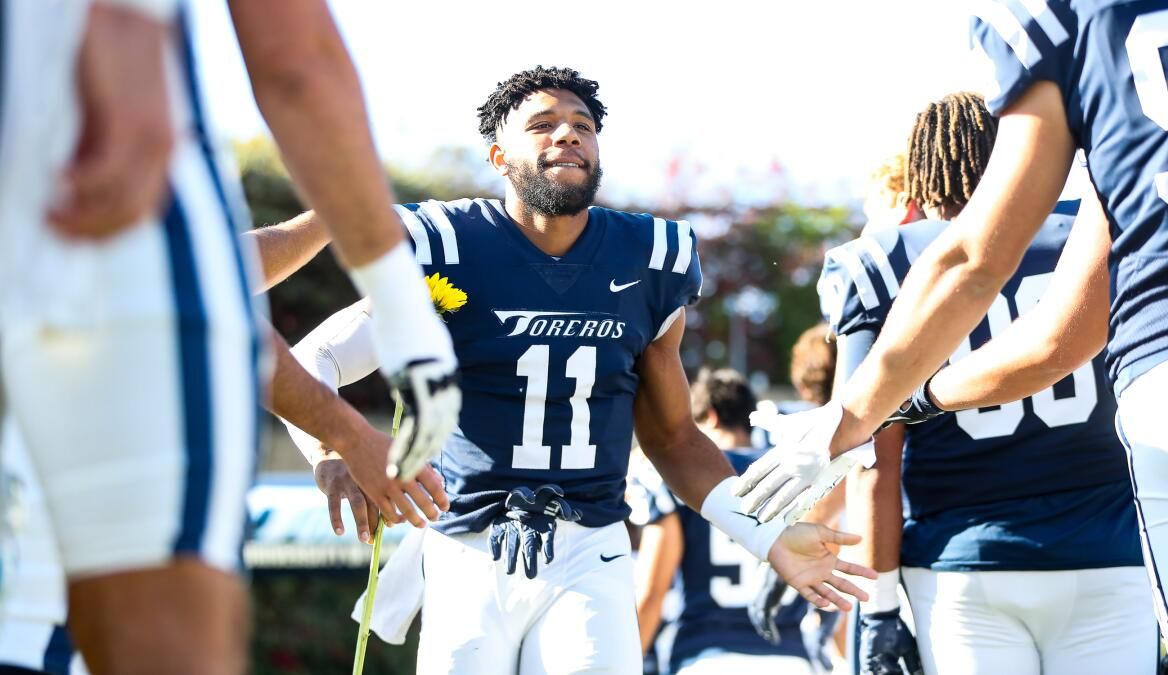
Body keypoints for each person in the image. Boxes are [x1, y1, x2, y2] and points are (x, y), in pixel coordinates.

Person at [280, 65, 876, 675]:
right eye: (542, 125)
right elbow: (313, 360)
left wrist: (766, 536)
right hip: (465, 547)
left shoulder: (648, 259)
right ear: (498, 155)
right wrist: (333, 456)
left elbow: (672, 438)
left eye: (582, 126)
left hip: (592, 547)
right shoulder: (450, 244)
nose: (568, 136)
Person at [735, 5, 1168, 671]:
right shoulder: (1074, 222)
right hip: (1106, 544)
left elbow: (880, 463)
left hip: (972, 555)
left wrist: (882, 596)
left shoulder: (884, 256)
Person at [0, 1, 458, 671]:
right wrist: (391, 325)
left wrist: (327, 218)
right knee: (149, 632)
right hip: (106, 193)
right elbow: (296, 61)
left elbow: (225, 265)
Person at [825, 92, 1154, 674]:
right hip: (1111, 550)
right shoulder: (1092, 232)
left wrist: (876, 608)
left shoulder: (885, 258)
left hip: (964, 564)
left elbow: (871, 451)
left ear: (922, 175)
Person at [630, 368, 822, 675]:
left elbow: (652, 589)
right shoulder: (792, 473)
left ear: (711, 417)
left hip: (707, 655)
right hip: (790, 658)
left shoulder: (677, 477)